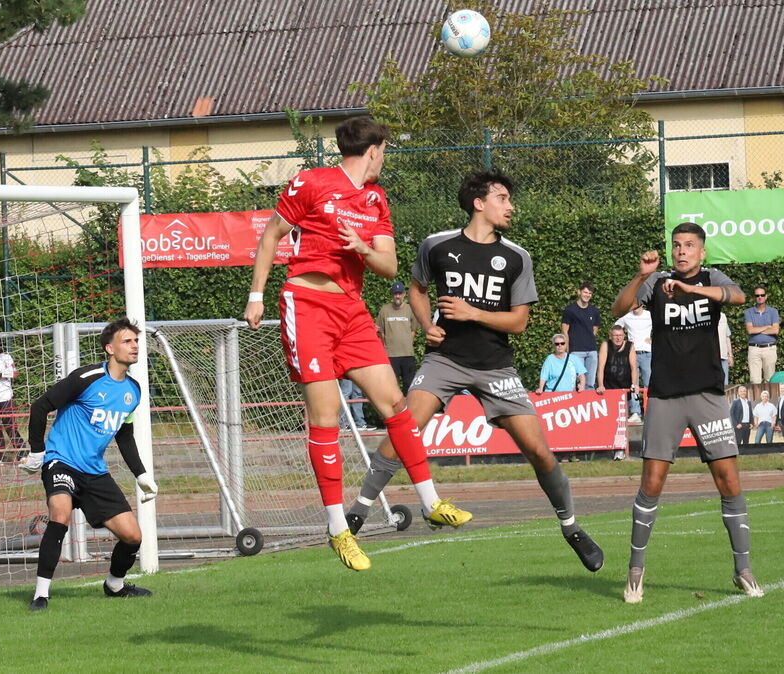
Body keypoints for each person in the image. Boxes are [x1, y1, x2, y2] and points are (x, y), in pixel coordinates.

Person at [243, 116, 470, 572]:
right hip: (306, 305)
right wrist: (256, 295)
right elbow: (270, 236)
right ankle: (337, 530)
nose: (385, 157)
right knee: (325, 417)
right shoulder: (310, 183)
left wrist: (361, 249)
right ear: (373, 150)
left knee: (395, 404)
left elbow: (388, 266)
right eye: (384, 149)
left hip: (351, 312)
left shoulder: (375, 199)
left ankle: (430, 503)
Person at [348, 171, 604, 573]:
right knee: (403, 426)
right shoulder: (437, 245)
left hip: (496, 366)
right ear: (478, 203)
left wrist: (473, 313)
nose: (510, 206)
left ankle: (571, 528)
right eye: (502, 198)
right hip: (444, 360)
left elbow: (519, 322)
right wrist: (426, 324)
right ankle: (356, 517)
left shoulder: (517, 256)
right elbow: (417, 289)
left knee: (538, 450)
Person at [612, 222, 762, 603]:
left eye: (689, 245)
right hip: (665, 396)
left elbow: (739, 296)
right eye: (676, 245)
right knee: (652, 483)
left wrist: (692, 289)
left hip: (707, 396)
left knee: (729, 481)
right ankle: (635, 571)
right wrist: (641, 275)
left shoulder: (712, 278)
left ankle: (743, 569)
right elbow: (618, 309)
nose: (681, 251)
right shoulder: (656, 282)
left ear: (702, 252)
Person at [17, 318, 159, 611]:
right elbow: (40, 406)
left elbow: (124, 435)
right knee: (60, 514)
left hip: (94, 471)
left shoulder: (133, 391)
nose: (134, 346)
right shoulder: (88, 377)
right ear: (109, 348)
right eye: (127, 341)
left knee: (133, 536)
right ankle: (41, 595)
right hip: (61, 461)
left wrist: (141, 474)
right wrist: (36, 452)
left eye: (136, 341)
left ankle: (115, 586)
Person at [598, 325, 641, 460]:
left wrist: (634, 384)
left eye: (620, 335)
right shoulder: (606, 345)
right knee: (613, 421)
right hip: (610, 389)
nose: (618, 338)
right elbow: (601, 367)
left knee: (626, 420)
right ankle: (616, 448)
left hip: (625, 389)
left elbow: (634, 367)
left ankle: (625, 449)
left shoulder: (630, 346)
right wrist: (600, 385)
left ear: (624, 336)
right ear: (611, 336)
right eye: (615, 335)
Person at [377, 279, 419, 393]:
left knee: (409, 386)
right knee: (391, 388)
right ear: (392, 295)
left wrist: (407, 343)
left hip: (407, 355)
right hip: (391, 355)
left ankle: (409, 410)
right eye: (395, 293)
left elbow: (413, 330)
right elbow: (381, 332)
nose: (397, 296)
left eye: (400, 293)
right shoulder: (384, 310)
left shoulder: (410, 309)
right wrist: (387, 347)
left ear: (404, 294)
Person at [561, 282, 601, 389]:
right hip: (576, 351)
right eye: (585, 292)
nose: (587, 295)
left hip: (591, 351)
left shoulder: (595, 311)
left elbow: (595, 330)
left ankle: (588, 404)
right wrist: (567, 350)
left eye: (590, 293)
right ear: (579, 292)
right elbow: (565, 331)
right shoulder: (569, 310)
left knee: (590, 383)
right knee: (574, 382)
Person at [744, 285, 778, 384]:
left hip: (769, 349)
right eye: (757, 295)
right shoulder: (748, 312)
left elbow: (775, 330)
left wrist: (757, 329)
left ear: (766, 296)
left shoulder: (773, 312)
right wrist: (767, 327)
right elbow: (750, 331)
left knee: (770, 380)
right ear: (754, 297)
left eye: (762, 295)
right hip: (754, 349)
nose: (760, 297)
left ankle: (771, 400)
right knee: (755, 381)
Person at [616, 302, 652, 391]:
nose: (636, 307)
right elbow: (615, 328)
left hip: (647, 354)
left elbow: (662, 327)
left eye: (638, 305)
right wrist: (623, 342)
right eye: (634, 305)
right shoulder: (626, 316)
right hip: (631, 354)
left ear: (642, 305)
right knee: (632, 384)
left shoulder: (650, 315)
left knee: (650, 384)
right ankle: (634, 405)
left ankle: (650, 404)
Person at [718, 312, 733, 385]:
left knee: (725, 383)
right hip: (709, 357)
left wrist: (730, 355)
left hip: (724, 356)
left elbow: (727, 337)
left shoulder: (723, 316)